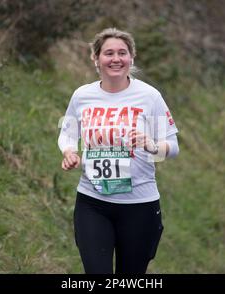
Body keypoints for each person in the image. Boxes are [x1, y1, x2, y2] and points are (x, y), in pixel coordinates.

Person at [58, 28, 179, 274]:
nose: (116, 59)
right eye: (109, 53)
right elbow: (68, 133)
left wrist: (152, 146)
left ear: (131, 58)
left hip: (139, 206)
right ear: (96, 58)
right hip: (92, 202)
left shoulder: (149, 96)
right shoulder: (82, 96)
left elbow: (172, 147)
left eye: (122, 53)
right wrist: (69, 152)